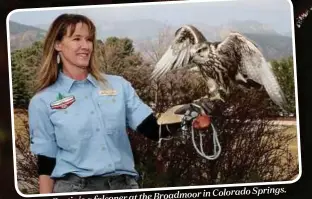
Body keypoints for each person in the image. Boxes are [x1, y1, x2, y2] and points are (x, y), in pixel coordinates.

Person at [28, 13, 211, 194]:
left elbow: (153, 129)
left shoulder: (118, 85)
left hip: (124, 186)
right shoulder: (42, 101)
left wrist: (187, 118)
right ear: (58, 44)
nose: (86, 46)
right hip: (75, 189)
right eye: (77, 39)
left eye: (89, 39)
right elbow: (46, 163)